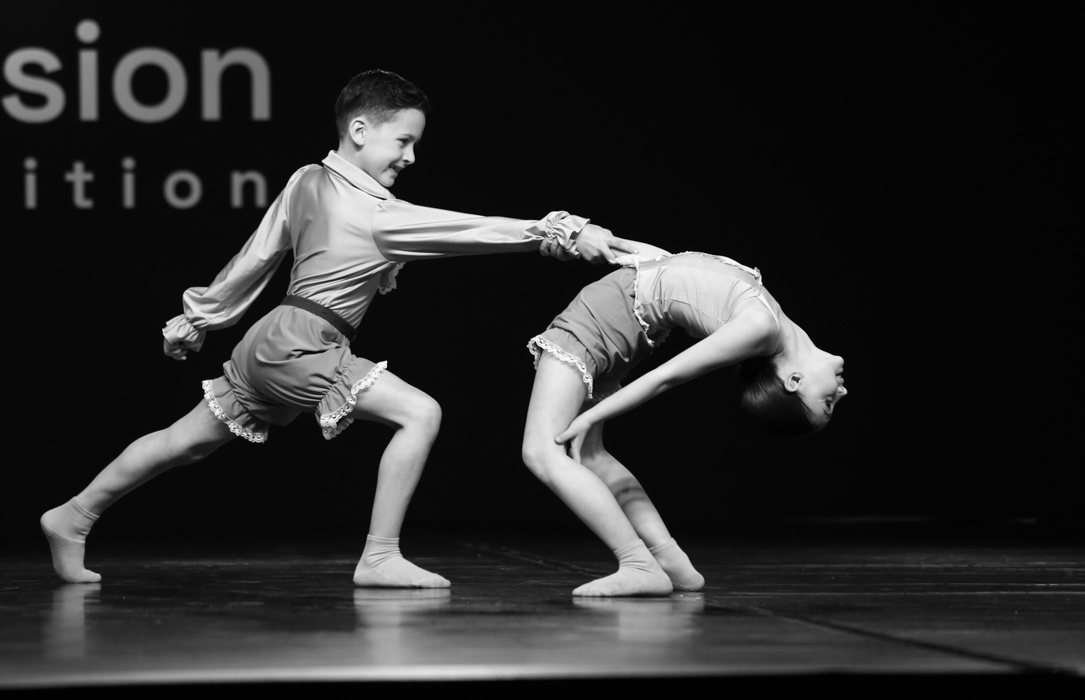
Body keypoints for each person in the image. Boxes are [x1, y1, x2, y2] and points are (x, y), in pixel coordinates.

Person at [41, 70, 627, 586]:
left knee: (183, 442)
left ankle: (72, 516)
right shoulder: (377, 214)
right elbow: (473, 230)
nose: (411, 158)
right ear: (360, 130)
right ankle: (380, 555)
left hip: (270, 338)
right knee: (420, 413)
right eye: (404, 141)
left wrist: (200, 317)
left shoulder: (306, 179)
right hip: (300, 344)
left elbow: (254, 258)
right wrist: (560, 231)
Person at [521, 242, 847, 597]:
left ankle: (638, 564)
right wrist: (606, 244)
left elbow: (666, 377)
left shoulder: (760, 326)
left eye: (828, 402)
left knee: (541, 452)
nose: (842, 392)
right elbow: (673, 265)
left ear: (794, 382)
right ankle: (671, 560)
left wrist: (592, 415)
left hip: (603, 318)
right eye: (830, 402)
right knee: (590, 455)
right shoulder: (769, 320)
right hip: (617, 317)